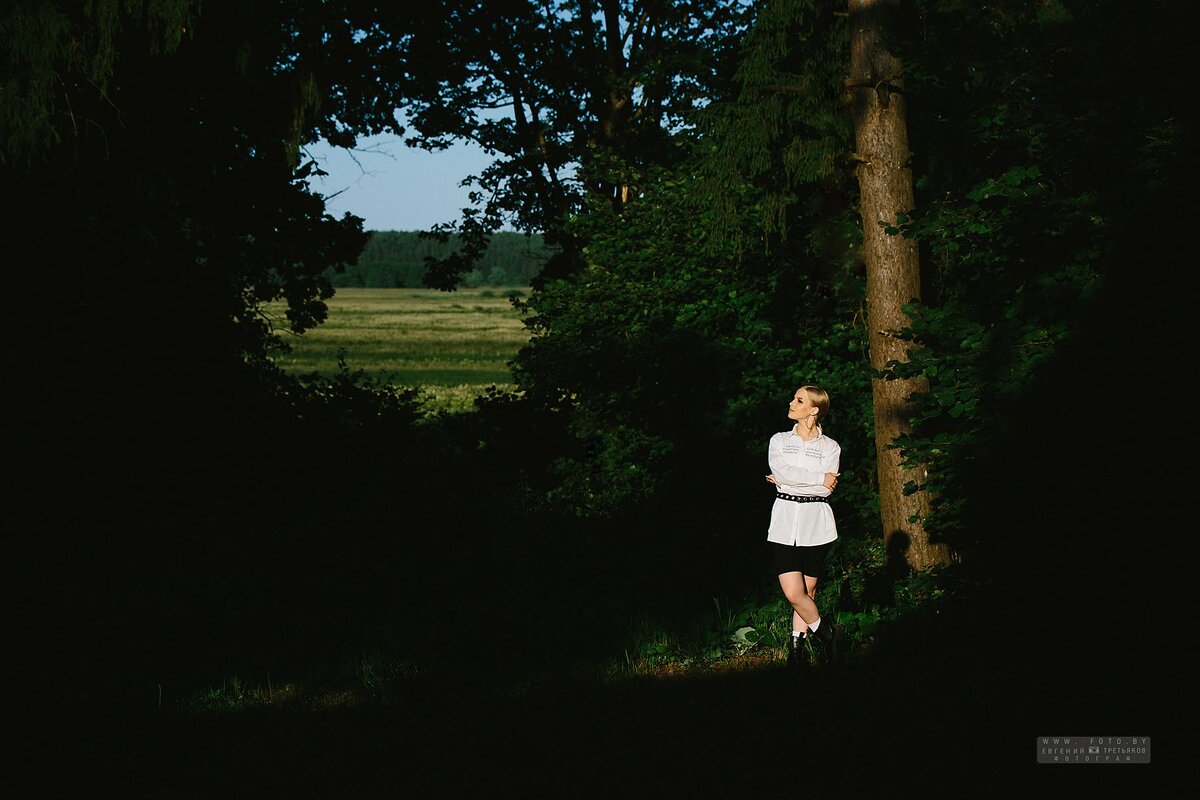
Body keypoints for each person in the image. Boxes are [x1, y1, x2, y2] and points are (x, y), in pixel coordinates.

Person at [765, 384, 845, 668]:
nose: (791, 402)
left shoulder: (830, 446)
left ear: (814, 410)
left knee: (808, 594)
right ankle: (829, 634)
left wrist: (792, 480)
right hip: (785, 521)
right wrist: (815, 478)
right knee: (793, 593)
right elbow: (780, 471)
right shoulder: (779, 440)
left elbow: (826, 491)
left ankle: (796, 653)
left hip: (817, 524)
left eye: (799, 400)